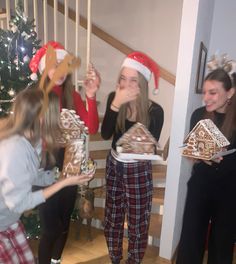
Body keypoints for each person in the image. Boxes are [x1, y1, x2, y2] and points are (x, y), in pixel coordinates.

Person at [0, 88, 93, 264]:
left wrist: (60, 177)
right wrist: (63, 183)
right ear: (40, 117)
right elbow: (20, 202)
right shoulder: (14, 149)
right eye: (54, 113)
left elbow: (33, 176)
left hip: (8, 221)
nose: (58, 119)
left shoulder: (31, 140)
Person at [29, 41, 100, 264]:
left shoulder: (72, 96)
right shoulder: (34, 96)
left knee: (64, 222)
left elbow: (91, 127)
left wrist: (90, 95)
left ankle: (56, 260)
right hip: (43, 167)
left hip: (69, 165)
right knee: (52, 227)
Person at [101, 51, 164, 264]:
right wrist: (116, 104)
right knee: (112, 219)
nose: (127, 85)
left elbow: (148, 149)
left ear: (143, 84)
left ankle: (133, 262)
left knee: (138, 223)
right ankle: (115, 259)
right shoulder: (113, 99)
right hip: (114, 165)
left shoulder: (155, 111)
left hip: (138, 170)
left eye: (133, 80)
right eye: (123, 79)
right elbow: (105, 134)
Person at [176, 67, 236, 264]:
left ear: (230, 92)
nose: (206, 98)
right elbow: (190, 151)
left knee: (222, 243)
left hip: (229, 189)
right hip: (200, 185)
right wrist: (200, 156)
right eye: (205, 92)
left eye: (213, 92)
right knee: (191, 239)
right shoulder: (198, 115)